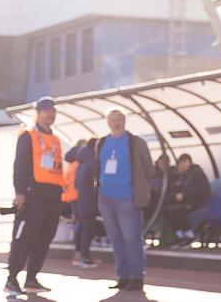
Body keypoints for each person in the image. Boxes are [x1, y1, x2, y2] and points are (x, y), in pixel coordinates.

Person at [5, 98, 63, 296]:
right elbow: (19, 165)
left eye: (53, 111)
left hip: (53, 195)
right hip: (33, 194)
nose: (50, 114)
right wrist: (20, 192)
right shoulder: (28, 135)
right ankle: (12, 279)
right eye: (46, 111)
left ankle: (31, 278)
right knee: (24, 237)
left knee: (45, 238)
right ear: (37, 113)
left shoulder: (56, 139)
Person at [94, 111, 155, 291]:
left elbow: (148, 169)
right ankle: (123, 276)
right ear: (108, 122)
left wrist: (139, 189)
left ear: (125, 121)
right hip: (105, 197)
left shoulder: (136, 142)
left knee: (131, 238)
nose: (116, 123)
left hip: (128, 197)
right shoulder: (101, 143)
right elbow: (98, 167)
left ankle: (136, 277)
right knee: (116, 239)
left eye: (119, 120)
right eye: (113, 120)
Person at [65, 139, 100, 269]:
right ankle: (84, 257)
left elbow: (75, 184)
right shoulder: (91, 162)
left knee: (81, 227)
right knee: (87, 229)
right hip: (86, 200)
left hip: (77, 199)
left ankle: (80, 256)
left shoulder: (78, 163)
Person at [165, 154, 211, 245]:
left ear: (188, 162)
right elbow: (177, 187)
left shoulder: (197, 173)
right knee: (167, 210)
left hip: (198, 203)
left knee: (176, 211)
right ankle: (180, 235)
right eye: (179, 164)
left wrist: (184, 195)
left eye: (181, 163)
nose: (180, 166)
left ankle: (190, 235)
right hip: (187, 202)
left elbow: (202, 189)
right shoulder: (184, 175)